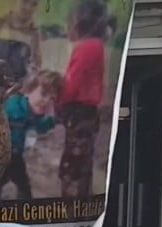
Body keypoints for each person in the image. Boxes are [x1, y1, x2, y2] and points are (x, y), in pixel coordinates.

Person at [58, 0, 109, 198]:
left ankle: (71, 200)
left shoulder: (86, 47)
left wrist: (59, 102)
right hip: (88, 110)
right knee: (84, 155)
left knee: (74, 157)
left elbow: (73, 81)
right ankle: (81, 195)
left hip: (78, 110)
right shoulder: (97, 47)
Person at [0, 70, 63, 200]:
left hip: (15, 157)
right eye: (43, 94)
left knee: (23, 187)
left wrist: (50, 118)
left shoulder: (33, 114)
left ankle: (26, 211)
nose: (46, 101)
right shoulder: (14, 104)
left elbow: (40, 128)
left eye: (51, 99)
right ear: (29, 90)